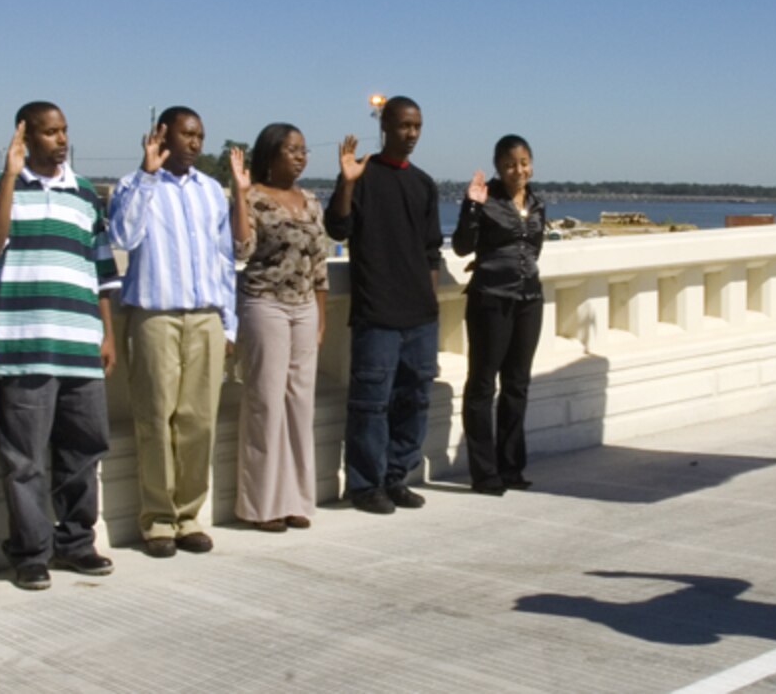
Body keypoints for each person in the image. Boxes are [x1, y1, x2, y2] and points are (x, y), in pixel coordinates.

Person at [0, 102, 121, 590]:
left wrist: (107, 334)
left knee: (84, 450)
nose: (60, 140)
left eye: (64, 131)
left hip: (81, 345)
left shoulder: (84, 194)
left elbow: (102, 274)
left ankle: (77, 542)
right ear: (25, 136)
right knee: (25, 460)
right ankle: (31, 553)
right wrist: (12, 178)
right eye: (50, 132)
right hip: (22, 343)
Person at [108, 106, 241, 557]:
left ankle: (189, 516)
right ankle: (158, 520)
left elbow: (225, 259)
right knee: (155, 418)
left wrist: (229, 320)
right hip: (154, 316)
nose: (195, 143)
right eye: (186, 134)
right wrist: (147, 174)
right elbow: (122, 238)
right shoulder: (132, 185)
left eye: (200, 135)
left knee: (199, 421)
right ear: (162, 135)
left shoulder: (210, 191)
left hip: (205, 316)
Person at [324, 96, 441, 515]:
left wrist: (430, 305)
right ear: (385, 126)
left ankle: (396, 478)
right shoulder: (363, 175)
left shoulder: (424, 184)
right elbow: (336, 226)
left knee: (415, 401)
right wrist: (348, 182)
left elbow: (432, 252)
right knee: (370, 404)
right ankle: (364, 484)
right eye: (403, 126)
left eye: (417, 127)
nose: (410, 134)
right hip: (377, 314)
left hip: (419, 317)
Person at [231, 123, 329, 531]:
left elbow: (320, 265)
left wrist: (320, 315)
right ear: (270, 154)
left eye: (303, 150)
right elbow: (241, 249)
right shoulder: (252, 198)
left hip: (304, 308)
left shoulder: (309, 201)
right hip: (265, 305)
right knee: (266, 404)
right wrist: (238, 192)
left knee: (299, 404)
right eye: (291, 150)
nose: (300, 156)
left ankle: (297, 500)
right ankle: (262, 506)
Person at [452, 135, 546, 496]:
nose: (517, 170)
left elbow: (534, 248)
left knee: (517, 384)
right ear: (497, 167)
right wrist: (472, 207)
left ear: (531, 163)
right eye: (509, 164)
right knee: (482, 384)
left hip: (529, 298)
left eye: (523, 162)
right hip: (491, 299)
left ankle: (511, 467)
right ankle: (485, 472)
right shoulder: (485, 198)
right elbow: (462, 246)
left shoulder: (537, 202)